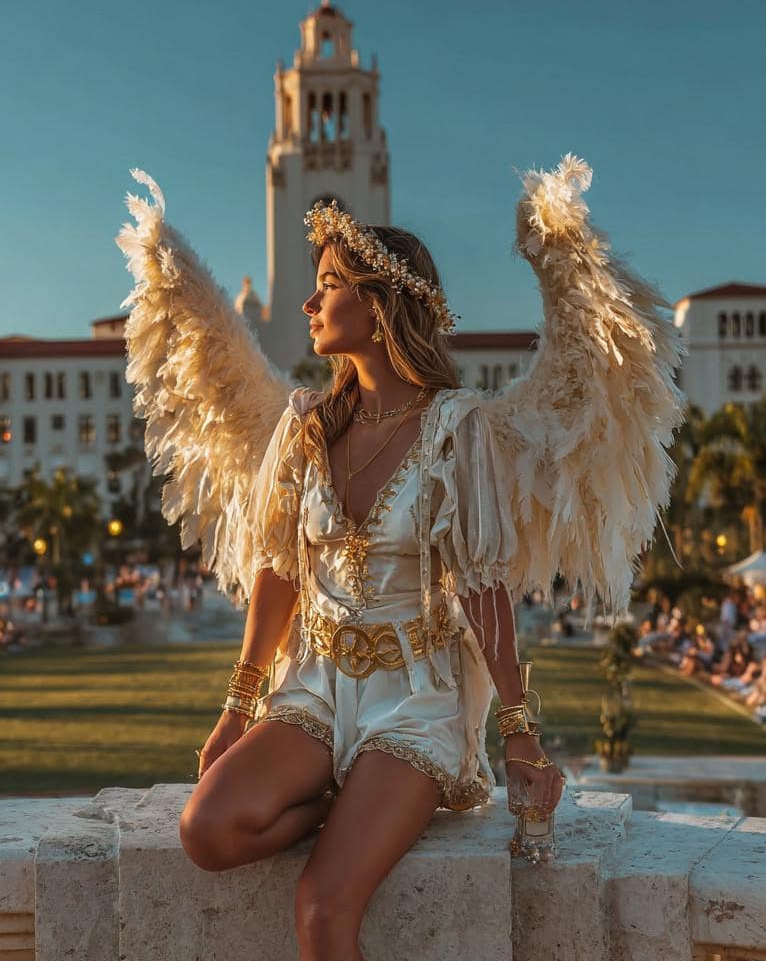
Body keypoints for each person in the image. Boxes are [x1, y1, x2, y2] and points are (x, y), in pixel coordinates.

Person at [116, 154, 685, 959]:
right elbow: (280, 570)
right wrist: (238, 707)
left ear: (379, 306)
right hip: (312, 690)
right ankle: (340, 800)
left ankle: (371, 795)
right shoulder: (306, 425)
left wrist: (518, 731)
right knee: (205, 830)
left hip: (414, 703)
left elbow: (482, 586)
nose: (310, 302)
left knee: (322, 909)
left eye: (329, 285)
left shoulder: (458, 429)